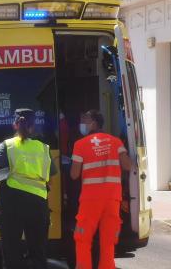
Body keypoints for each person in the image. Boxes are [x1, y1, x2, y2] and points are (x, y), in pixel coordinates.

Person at [0, 108, 54, 269]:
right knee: (38, 252)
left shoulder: (8, 146)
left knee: (11, 251)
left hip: (12, 205)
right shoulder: (43, 148)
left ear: (15, 125)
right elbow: (50, 178)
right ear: (33, 127)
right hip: (38, 205)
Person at [70, 110, 133, 269]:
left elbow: (74, 175)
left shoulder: (80, 144)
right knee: (108, 240)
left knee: (82, 238)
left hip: (90, 199)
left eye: (84, 119)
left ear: (93, 123)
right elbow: (127, 165)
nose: (82, 123)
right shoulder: (116, 141)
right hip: (112, 199)